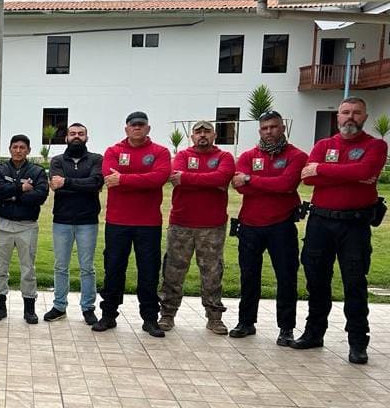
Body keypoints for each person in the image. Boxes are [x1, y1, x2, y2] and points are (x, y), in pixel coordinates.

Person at [292, 97, 388, 364]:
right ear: (337, 118)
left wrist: (323, 168)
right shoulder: (324, 145)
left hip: (354, 225)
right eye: (345, 112)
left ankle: (358, 342)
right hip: (320, 222)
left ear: (365, 117)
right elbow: (307, 178)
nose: (350, 117)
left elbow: (367, 169)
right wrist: (351, 174)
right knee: (316, 280)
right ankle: (314, 333)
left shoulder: (375, 145)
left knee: (355, 282)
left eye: (356, 113)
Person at [229, 111, 307, 345]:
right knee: (248, 276)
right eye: (264, 128)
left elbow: (287, 184)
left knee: (286, 277)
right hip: (250, 225)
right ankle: (246, 322)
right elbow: (239, 187)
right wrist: (267, 183)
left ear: (282, 128)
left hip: (281, 226)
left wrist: (252, 179)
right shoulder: (247, 156)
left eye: (274, 127)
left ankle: (286, 328)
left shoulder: (297, 155)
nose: (269, 132)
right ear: (260, 130)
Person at [93, 111, 171, 337]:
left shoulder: (160, 152)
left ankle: (149, 318)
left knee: (148, 270)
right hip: (118, 222)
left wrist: (125, 179)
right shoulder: (114, 151)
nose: (137, 128)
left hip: (148, 223)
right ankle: (108, 315)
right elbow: (109, 177)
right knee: (114, 268)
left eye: (141, 125)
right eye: (133, 125)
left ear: (148, 128)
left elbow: (159, 178)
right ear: (126, 129)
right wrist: (142, 179)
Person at [158, 121, 234, 335]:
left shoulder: (224, 157)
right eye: (198, 132)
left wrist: (188, 178)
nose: (202, 135)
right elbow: (176, 177)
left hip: (212, 225)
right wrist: (210, 181)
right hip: (181, 223)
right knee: (173, 271)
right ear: (191, 136)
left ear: (214, 135)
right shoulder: (182, 155)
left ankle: (214, 317)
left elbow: (222, 177)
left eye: (206, 131)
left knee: (212, 272)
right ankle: (167, 314)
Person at [46, 123, 103, 326]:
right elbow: (56, 187)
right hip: (62, 219)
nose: (76, 136)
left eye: (81, 134)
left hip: (88, 220)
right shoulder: (58, 160)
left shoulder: (96, 159)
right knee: (61, 266)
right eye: (72, 134)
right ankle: (59, 306)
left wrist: (68, 182)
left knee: (87, 267)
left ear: (87, 137)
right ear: (66, 138)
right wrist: (83, 184)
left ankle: (88, 308)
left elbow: (96, 183)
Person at [0, 134, 48, 324]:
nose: (18, 150)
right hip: (2, 224)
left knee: (28, 269)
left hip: (27, 226)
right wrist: (21, 188)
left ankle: (29, 309)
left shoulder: (37, 171)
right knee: (0, 269)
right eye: (15, 147)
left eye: (22, 147)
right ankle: (0, 307)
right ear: (10, 149)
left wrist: (10, 194)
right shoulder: (0, 169)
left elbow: (39, 197)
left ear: (28, 150)